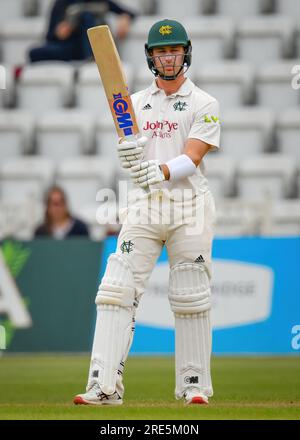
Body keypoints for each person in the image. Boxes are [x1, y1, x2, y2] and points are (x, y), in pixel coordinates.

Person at [74, 18, 220, 406]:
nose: (168, 58)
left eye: (173, 51)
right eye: (160, 52)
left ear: (184, 53)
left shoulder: (205, 103)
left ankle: (193, 385)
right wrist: (128, 156)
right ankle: (103, 385)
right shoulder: (135, 103)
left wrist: (162, 169)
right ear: (151, 57)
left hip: (190, 207)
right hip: (143, 205)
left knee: (190, 291)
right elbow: (133, 149)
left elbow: (194, 155)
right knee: (116, 289)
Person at [29, 0, 136, 63]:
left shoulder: (96, 1)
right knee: (34, 53)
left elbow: (129, 12)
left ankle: (91, 58)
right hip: (69, 48)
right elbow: (50, 37)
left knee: (87, 16)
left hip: (93, 49)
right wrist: (60, 32)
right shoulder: (62, 3)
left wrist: (125, 18)